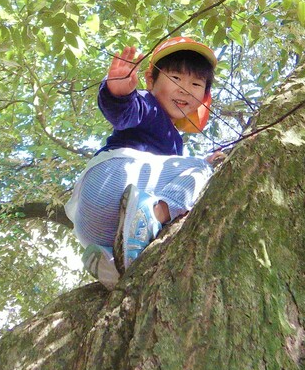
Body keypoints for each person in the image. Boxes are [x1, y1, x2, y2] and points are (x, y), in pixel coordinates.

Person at [64, 37, 219, 287]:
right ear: (150, 80)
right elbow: (125, 112)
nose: (185, 89)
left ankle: (110, 266)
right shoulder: (148, 105)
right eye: (176, 78)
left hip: (93, 228)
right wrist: (118, 92)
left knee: (127, 278)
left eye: (196, 83)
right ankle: (154, 213)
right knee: (202, 169)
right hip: (115, 178)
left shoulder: (172, 139)